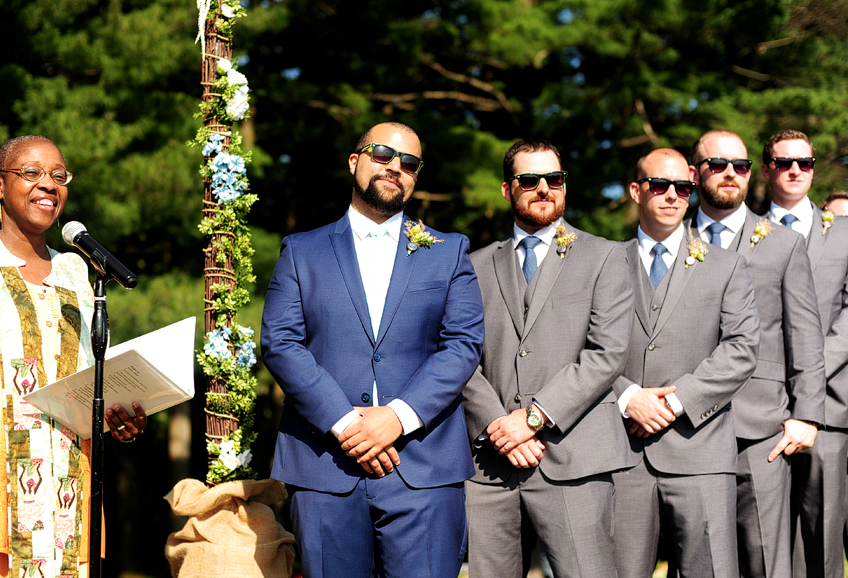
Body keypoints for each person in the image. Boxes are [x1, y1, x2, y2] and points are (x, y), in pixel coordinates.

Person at [260, 122, 484, 578]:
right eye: (382, 155)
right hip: (325, 468)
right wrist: (345, 424)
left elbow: (462, 344)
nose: (395, 168)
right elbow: (280, 342)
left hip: (423, 466)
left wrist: (397, 416)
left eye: (409, 164)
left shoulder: (450, 251)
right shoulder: (302, 251)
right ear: (354, 161)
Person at [0, 135, 147, 578]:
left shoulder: (80, 275)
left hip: (67, 499)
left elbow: (96, 381)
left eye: (59, 176)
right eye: (32, 173)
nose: (48, 185)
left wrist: (122, 418)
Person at [462, 138, 635, 578]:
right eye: (529, 179)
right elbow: (460, 354)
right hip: (490, 464)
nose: (544, 187)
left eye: (554, 178)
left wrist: (533, 418)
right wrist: (499, 426)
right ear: (507, 189)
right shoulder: (472, 265)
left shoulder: (606, 256)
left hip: (574, 458)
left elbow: (606, 353)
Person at [612, 148, 760, 578]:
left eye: (684, 188)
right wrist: (628, 397)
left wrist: (673, 404)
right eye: (660, 185)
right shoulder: (601, 261)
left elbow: (741, 348)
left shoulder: (728, 265)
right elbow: (582, 346)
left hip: (702, 450)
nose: (673, 195)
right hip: (622, 452)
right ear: (637, 191)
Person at [685, 130, 825, 578]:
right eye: (718, 164)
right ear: (695, 172)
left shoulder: (784, 244)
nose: (730, 173)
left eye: (741, 166)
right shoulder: (671, 239)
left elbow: (803, 333)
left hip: (762, 424)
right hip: (682, 423)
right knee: (697, 560)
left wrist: (808, 414)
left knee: (766, 558)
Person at [761, 129, 848, 578]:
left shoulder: (845, 233)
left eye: (805, 163)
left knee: (821, 535)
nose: (796, 170)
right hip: (759, 407)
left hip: (829, 408)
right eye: (784, 162)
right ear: (766, 168)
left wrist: (810, 372)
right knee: (762, 539)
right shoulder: (743, 233)